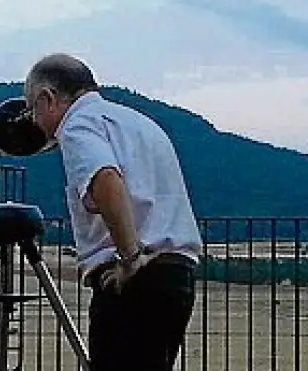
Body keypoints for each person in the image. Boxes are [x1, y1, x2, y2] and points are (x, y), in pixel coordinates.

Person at [23, 53, 203, 371]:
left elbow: (105, 178)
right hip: (176, 275)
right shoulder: (138, 124)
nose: (33, 121)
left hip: (135, 281)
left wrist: (130, 257)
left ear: (47, 98)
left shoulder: (77, 126)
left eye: (31, 109)